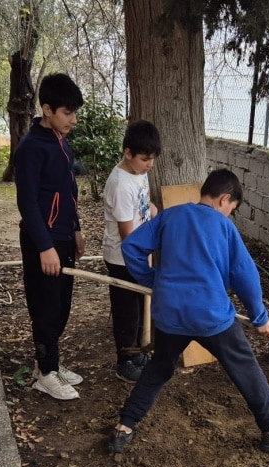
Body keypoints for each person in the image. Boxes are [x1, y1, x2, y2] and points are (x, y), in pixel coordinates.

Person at [108, 169, 269, 455]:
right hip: (211, 316)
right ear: (224, 199)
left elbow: (131, 247)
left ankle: (124, 427)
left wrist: (152, 280)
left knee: (158, 368)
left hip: (170, 315)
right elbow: (245, 275)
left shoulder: (170, 216)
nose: (228, 215)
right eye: (231, 209)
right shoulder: (224, 227)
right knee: (246, 369)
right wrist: (260, 318)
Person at [15, 73, 85, 400]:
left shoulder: (61, 140)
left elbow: (68, 189)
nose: (73, 119)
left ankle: (50, 363)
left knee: (61, 307)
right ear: (47, 109)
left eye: (74, 112)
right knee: (45, 308)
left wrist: (77, 229)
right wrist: (45, 247)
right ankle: (45, 373)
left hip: (64, 237)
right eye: (66, 112)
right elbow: (27, 202)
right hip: (42, 241)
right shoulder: (31, 147)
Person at [102, 120, 161, 382]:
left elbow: (143, 202)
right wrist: (152, 239)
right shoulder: (120, 184)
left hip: (139, 254)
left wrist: (151, 209)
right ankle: (125, 360)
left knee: (139, 306)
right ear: (128, 153)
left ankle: (138, 353)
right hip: (123, 257)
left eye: (152, 159)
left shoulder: (138, 173)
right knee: (127, 310)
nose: (149, 164)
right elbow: (128, 234)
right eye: (145, 159)